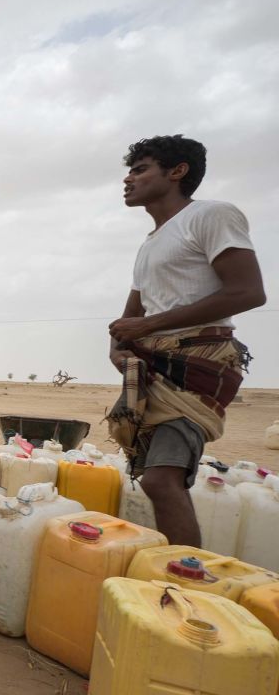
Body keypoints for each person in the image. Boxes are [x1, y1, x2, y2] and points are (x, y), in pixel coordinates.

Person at [106, 135, 264, 546]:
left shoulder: (211, 216)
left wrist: (145, 327)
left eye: (140, 169)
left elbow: (247, 292)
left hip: (195, 367)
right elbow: (132, 315)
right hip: (154, 369)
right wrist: (119, 345)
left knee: (162, 480)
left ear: (178, 171)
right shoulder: (150, 242)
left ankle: (187, 581)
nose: (128, 178)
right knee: (154, 476)